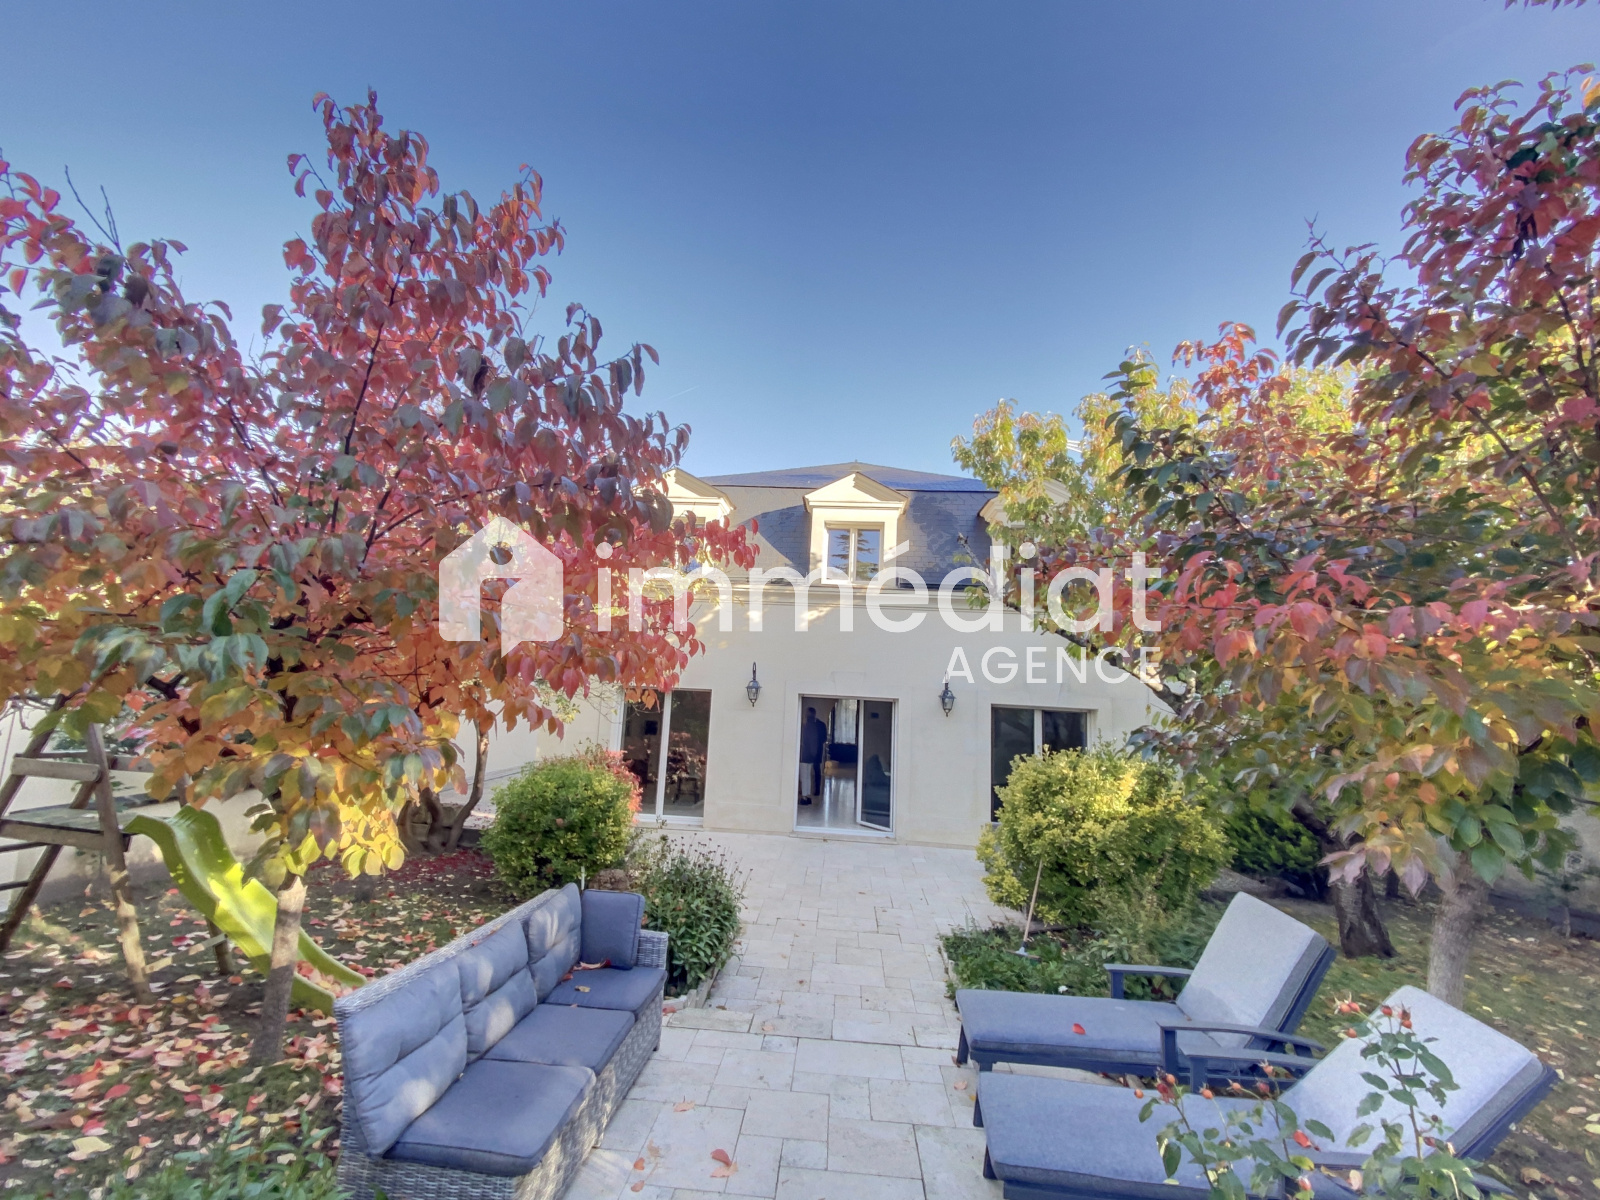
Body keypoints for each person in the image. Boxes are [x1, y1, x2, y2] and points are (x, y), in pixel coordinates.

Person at [799, 706, 827, 805]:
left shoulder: (807, 726)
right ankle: (807, 795)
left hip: (805, 754)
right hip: (813, 754)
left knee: (804, 776)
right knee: (808, 775)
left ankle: (804, 796)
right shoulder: (815, 726)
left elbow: (807, 741)